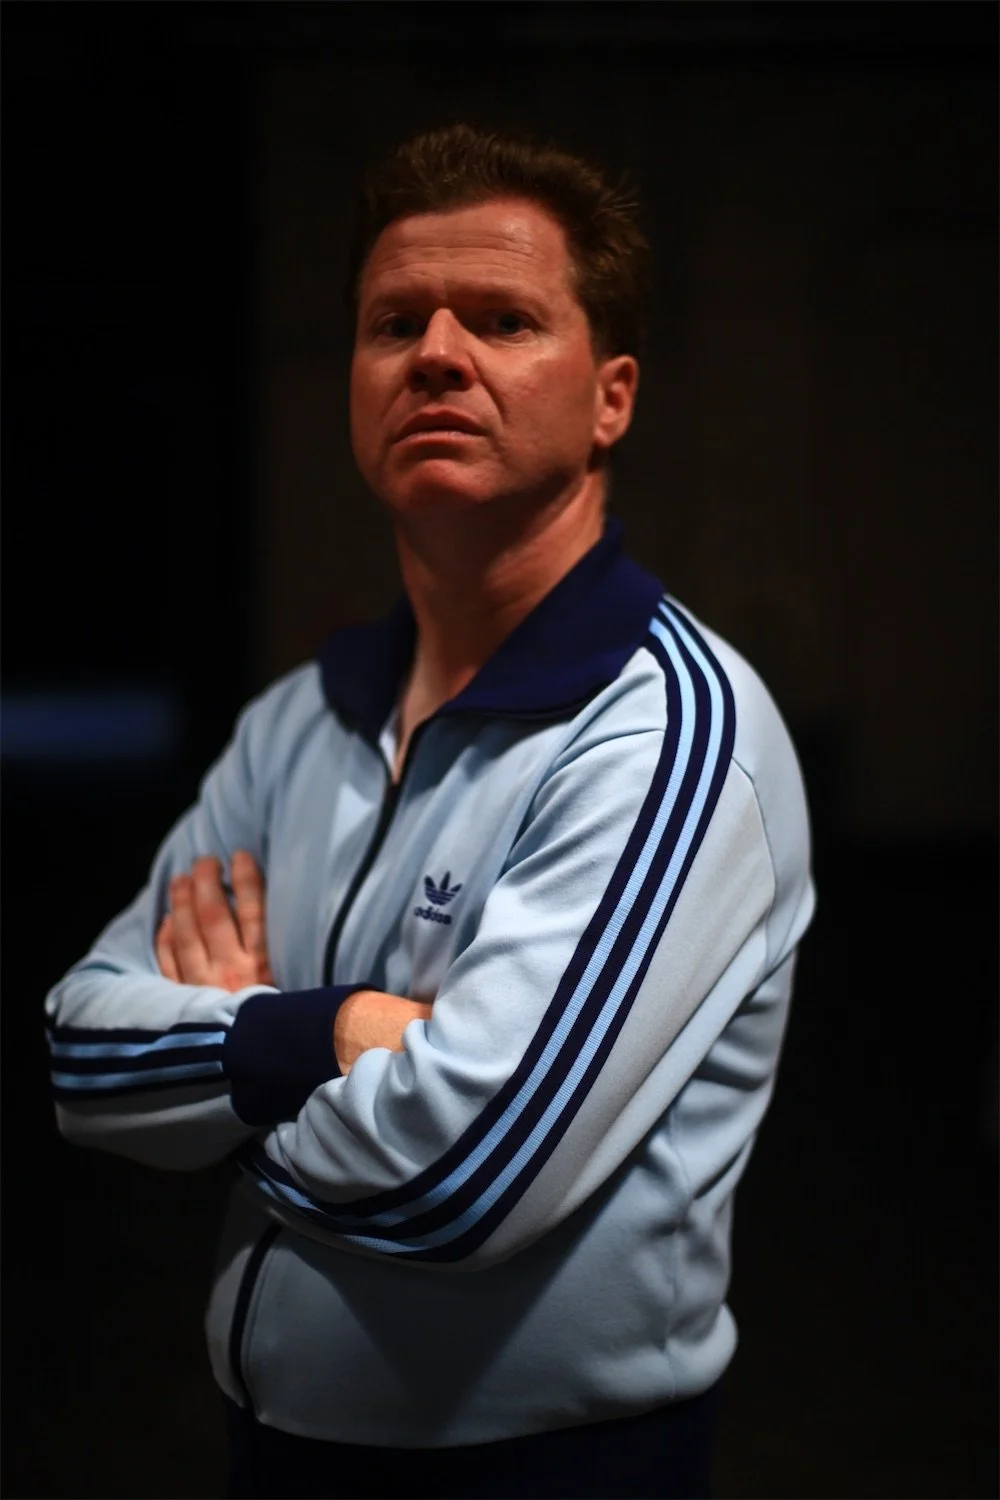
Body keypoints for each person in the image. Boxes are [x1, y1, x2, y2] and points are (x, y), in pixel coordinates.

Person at [45, 123, 815, 1499]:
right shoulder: (299, 719)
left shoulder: (671, 734)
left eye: (505, 320)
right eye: (395, 322)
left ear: (611, 398)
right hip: (270, 1451)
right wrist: (318, 1035)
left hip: (555, 1473)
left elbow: (464, 1177)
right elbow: (78, 1061)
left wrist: (215, 1067)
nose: (438, 354)